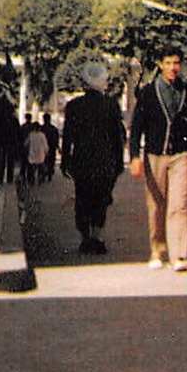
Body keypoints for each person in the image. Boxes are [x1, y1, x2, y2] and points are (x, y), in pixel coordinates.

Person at [128, 47, 187, 271]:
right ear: (160, 64)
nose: (173, 68)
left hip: (181, 155)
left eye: (177, 63)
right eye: (168, 63)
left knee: (179, 206)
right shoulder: (149, 92)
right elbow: (137, 127)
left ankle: (178, 254)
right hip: (155, 154)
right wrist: (134, 157)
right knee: (157, 206)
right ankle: (157, 249)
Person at [60, 63, 125, 255]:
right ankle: (96, 236)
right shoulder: (111, 105)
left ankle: (85, 238)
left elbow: (68, 137)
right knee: (101, 199)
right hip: (105, 161)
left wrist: (65, 160)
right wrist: (119, 162)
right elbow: (117, 137)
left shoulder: (74, 106)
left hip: (82, 161)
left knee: (83, 198)